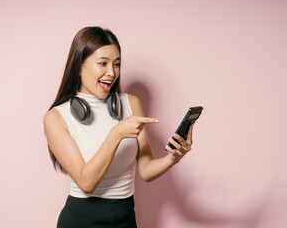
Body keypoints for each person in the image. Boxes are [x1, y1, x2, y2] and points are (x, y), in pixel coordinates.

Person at [43, 26, 193, 228]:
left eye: (117, 64)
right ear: (79, 66)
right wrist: (117, 134)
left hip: (125, 218)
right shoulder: (56, 117)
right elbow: (86, 183)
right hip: (81, 220)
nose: (111, 73)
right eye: (102, 63)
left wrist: (175, 156)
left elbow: (146, 170)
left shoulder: (131, 104)